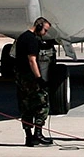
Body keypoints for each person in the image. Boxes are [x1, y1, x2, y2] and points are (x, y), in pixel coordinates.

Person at [14, 17, 54, 147]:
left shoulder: (21, 37)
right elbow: (32, 60)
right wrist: (39, 78)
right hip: (30, 78)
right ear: (39, 26)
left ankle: (28, 136)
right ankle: (38, 133)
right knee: (42, 104)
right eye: (45, 30)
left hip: (20, 77)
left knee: (25, 106)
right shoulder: (32, 40)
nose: (45, 33)